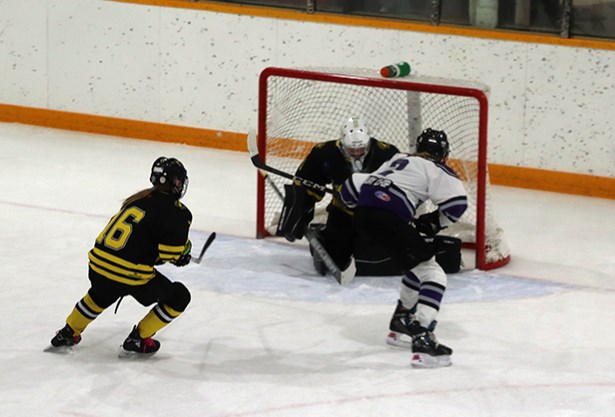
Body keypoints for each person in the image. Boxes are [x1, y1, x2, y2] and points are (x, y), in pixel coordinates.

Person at [340, 128, 468, 367]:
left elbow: (350, 190)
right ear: (444, 154)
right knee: (433, 273)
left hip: (363, 218)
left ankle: (400, 322)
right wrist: (434, 221)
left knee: (416, 264)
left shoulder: (398, 159)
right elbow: (457, 204)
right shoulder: (436, 168)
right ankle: (423, 339)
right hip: (389, 218)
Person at [47, 157, 193, 356]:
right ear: (177, 183)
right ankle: (138, 338)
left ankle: (68, 331)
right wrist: (182, 254)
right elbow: (170, 254)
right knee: (179, 297)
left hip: (97, 265)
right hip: (129, 274)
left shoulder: (139, 198)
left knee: (100, 294)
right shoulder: (177, 213)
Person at [276, 116, 400, 276]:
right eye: (351, 150)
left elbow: (402, 187)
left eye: (361, 149)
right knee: (337, 259)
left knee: (383, 259)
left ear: (368, 143)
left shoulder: (387, 154)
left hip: (376, 216)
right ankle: (323, 235)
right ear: (342, 144)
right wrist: (296, 214)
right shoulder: (325, 153)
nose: (356, 154)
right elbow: (305, 184)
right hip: (343, 214)